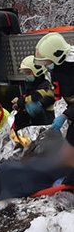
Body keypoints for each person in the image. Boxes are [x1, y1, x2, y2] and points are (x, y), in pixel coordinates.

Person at [32, 32, 74, 169]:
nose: (45, 65)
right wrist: (41, 103)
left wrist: (65, 115)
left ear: (58, 56)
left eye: (46, 61)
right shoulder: (56, 69)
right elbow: (55, 91)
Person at [12, 55, 55, 131]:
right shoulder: (31, 85)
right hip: (33, 125)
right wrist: (20, 101)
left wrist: (20, 102)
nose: (26, 76)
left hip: (44, 125)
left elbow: (34, 98)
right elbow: (27, 97)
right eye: (25, 73)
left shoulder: (45, 86)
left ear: (37, 72)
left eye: (28, 73)